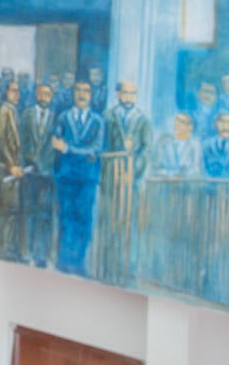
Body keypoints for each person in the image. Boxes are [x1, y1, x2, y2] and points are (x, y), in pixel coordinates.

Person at [52, 81, 105, 276]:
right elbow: (56, 144)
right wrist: (80, 154)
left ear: (91, 95)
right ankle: (64, 260)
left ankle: (79, 262)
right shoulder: (63, 118)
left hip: (87, 179)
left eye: (87, 91)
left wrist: (69, 149)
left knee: (84, 220)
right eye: (79, 90)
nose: (82, 94)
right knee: (66, 218)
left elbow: (96, 149)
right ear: (73, 93)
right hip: (66, 177)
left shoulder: (98, 121)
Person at [18, 83, 58, 268]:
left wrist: (48, 167)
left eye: (48, 94)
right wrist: (25, 163)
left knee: (45, 215)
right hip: (30, 173)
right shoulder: (26, 115)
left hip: (47, 174)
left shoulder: (55, 118)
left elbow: (55, 147)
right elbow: (21, 142)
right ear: (36, 95)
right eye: (42, 93)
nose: (44, 97)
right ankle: (27, 253)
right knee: (28, 213)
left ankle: (41, 255)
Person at [0, 81, 24, 260]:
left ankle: (7, 248)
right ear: (6, 92)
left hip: (13, 168)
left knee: (11, 210)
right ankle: (1, 249)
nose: (17, 94)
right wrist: (11, 164)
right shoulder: (4, 110)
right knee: (5, 210)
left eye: (18, 91)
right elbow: (0, 139)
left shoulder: (13, 110)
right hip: (5, 168)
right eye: (13, 91)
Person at [105, 80, 153, 184]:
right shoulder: (108, 116)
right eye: (125, 93)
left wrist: (134, 170)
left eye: (133, 93)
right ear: (118, 94)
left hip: (133, 175)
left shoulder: (143, 120)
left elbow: (146, 149)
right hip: (111, 174)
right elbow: (105, 146)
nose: (129, 97)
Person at [152, 113, 202, 177]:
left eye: (181, 122)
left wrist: (178, 174)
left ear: (190, 127)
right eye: (176, 120)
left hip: (186, 183)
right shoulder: (164, 141)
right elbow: (155, 166)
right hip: (165, 182)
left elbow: (195, 170)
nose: (176, 124)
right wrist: (170, 174)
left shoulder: (195, 144)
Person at [201, 112, 229, 179]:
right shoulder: (206, 144)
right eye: (222, 122)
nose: (225, 126)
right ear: (216, 124)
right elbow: (202, 168)